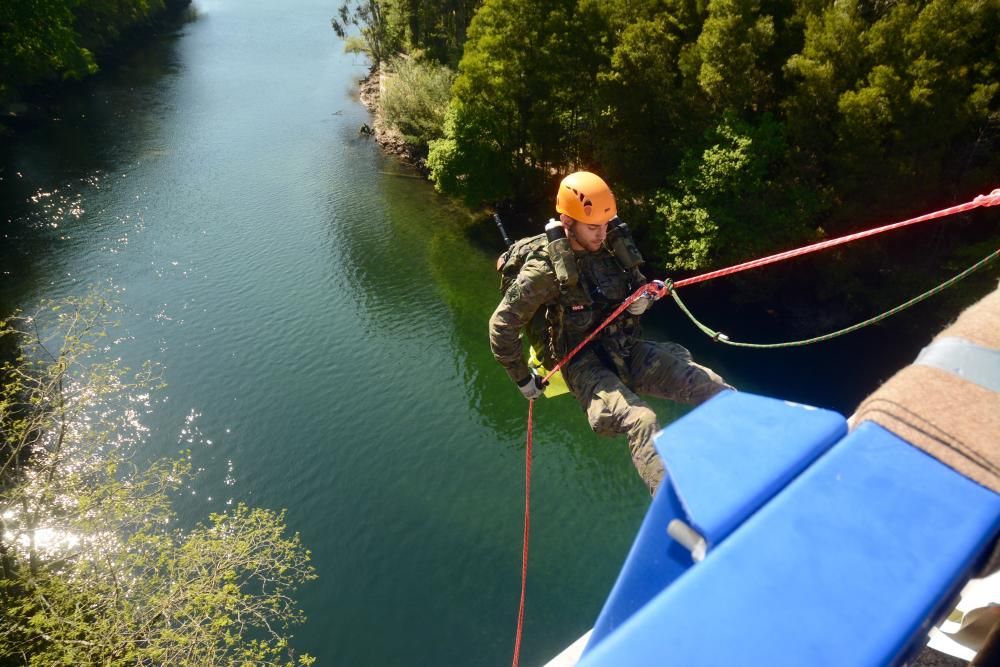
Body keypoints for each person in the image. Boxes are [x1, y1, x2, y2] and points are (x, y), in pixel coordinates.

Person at [489, 171, 732, 494]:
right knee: (641, 420)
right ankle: (674, 509)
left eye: (605, 225)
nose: (602, 234)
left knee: (709, 384)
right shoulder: (544, 269)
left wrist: (642, 301)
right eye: (593, 227)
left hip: (625, 345)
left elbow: (637, 283)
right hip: (582, 363)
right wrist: (522, 379)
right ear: (567, 221)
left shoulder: (613, 248)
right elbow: (502, 325)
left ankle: (759, 441)